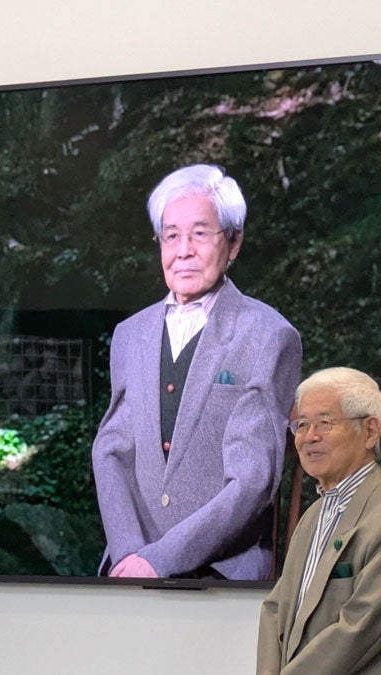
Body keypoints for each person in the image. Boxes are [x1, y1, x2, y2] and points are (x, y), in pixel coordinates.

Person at [91, 164, 302, 580]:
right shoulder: (130, 335)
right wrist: (130, 553)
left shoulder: (268, 335)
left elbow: (253, 480)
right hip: (130, 564)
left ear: (234, 242)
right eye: (171, 236)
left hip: (220, 572)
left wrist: (162, 559)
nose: (183, 250)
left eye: (200, 234)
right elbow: (111, 450)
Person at [257, 367, 381, 674]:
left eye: (324, 423)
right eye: (302, 425)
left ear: (370, 431)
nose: (310, 437)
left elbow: (361, 626)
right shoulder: (312, 516)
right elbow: (276, 611)